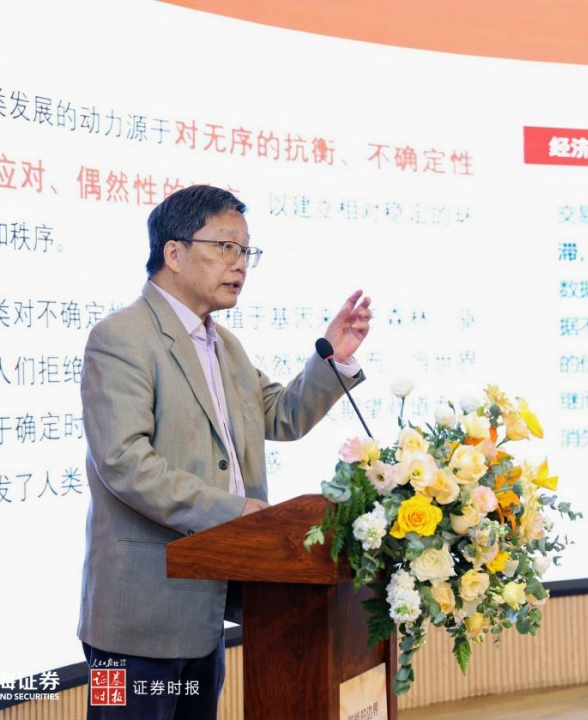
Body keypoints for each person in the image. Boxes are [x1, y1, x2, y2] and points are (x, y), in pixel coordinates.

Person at [76, 184, 372, 718]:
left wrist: (335, 357)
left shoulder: (224, 344)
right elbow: (124, 461)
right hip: (137, 616)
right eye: (225, 246)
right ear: (174, 252)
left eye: (246, 251)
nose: (240, 263)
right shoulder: (121, 337)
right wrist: (235, 514)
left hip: (206, 604)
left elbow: (281, 415)